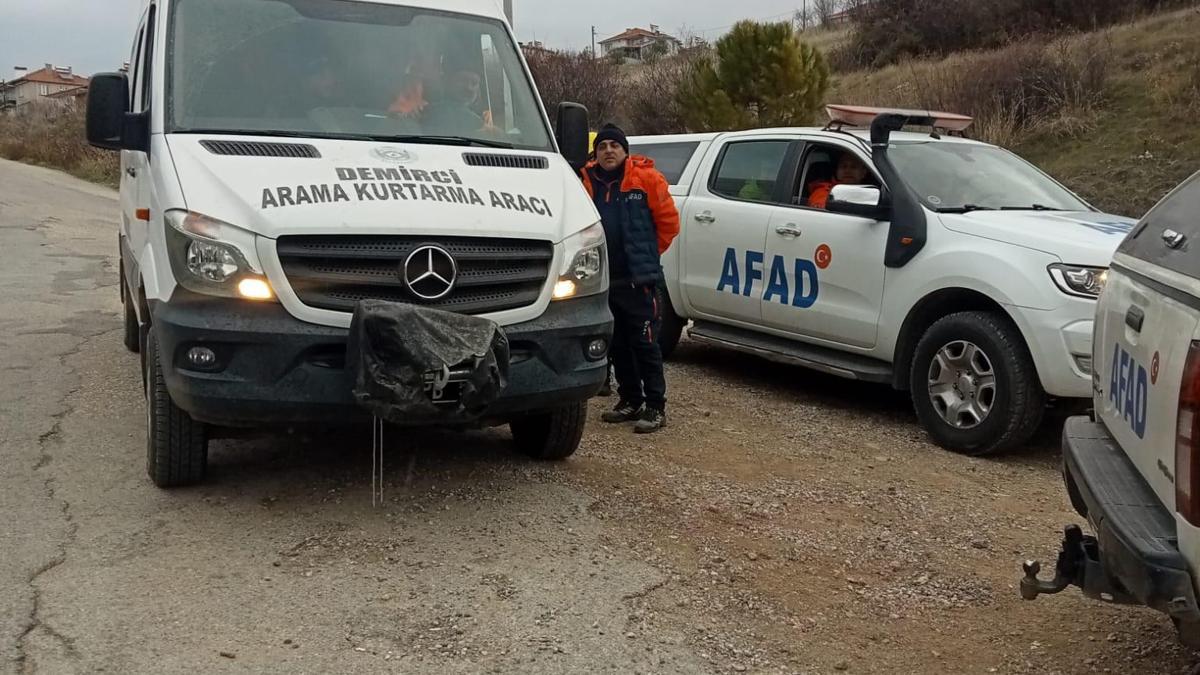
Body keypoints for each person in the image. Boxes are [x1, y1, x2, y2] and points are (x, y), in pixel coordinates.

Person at [581, 124, 681, 434]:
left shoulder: (646, 179)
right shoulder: (586, 182)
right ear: (596, 153)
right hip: (603, 279)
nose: (608, 151)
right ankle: (630, 399)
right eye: (602, 146)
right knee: (617, 344)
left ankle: (655, 405)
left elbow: (669, 224)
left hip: (638, 279)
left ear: (625, 150)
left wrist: (646, 255)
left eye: (614, 145)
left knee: (645, 343)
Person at [807, 152, 871, 209]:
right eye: (843, 166)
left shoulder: (872, 193)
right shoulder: (823, 192)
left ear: (863, 172)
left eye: (853, 167)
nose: (847, 171)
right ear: (837, 172)